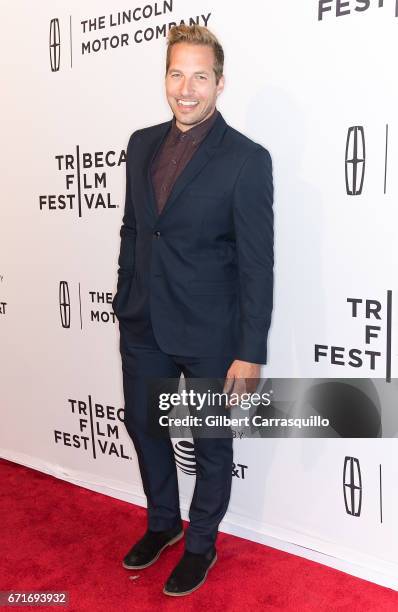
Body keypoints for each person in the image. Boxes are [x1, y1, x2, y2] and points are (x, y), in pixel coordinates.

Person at [112, 24, 274, 596]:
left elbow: (258, 264)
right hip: (144, 321)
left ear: (219, 83)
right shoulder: (140, 144)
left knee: (210, 442)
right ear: (165, 78)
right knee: (144, 425)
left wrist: (250, 352)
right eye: (177, 73)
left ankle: (201, 543)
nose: (187, 88)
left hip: (210, 329)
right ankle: (162, 524)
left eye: (200, 76)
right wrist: (124, 291)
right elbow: (136, 228)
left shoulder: (247, 160)